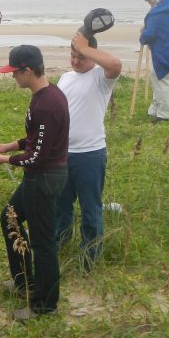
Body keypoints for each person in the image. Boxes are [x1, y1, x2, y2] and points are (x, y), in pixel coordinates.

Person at [0, 45, 69, 320]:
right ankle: (24, 280)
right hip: (37, 177)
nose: (13, 78)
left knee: (43, 244)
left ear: (28, 70)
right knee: (9, 218)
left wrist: (4, 161)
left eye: (15, 73)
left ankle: (45, 305)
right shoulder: (44, 96)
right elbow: (33, 139)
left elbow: (36, 157)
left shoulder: (47, 104)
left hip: (44, 180)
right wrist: (8, 146)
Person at [55, 30, 122, 269]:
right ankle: (60, 245)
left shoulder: (100, 78)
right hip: (63, 154)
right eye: (72, 55)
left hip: (90, 155)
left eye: (80, 56)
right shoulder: (65, 78)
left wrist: (85, 48)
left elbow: (115, 64)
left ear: (92, 55)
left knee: (90, 208)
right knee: (61, 207)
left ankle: (89, 258)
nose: (75, 61)